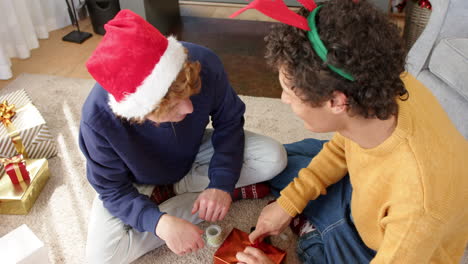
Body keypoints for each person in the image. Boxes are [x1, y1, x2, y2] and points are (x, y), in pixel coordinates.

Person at [231, 0, 468, 263]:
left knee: (314, 232)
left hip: (384, 248)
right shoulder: (383, 88)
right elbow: (341, 147)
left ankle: (319, 231)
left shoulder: (419, 205)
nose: (284, 100)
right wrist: (288, 204)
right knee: (285, 157)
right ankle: (319, 220)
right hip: (366, 197)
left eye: (290, 91)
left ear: (336, 102)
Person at [79, 9, 287, 264]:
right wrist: (159, 224)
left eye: (189, 95)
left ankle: (197, 194)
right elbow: (112, 190)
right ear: (140, 112)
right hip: (134, 181)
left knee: (274, 158)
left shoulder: (202, 62)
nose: (189, 109)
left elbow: (229, 121)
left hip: (193, 152)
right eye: (174, 106)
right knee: (101, 258)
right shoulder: (97, 120)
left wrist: (221, 183)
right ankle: (185, 203)